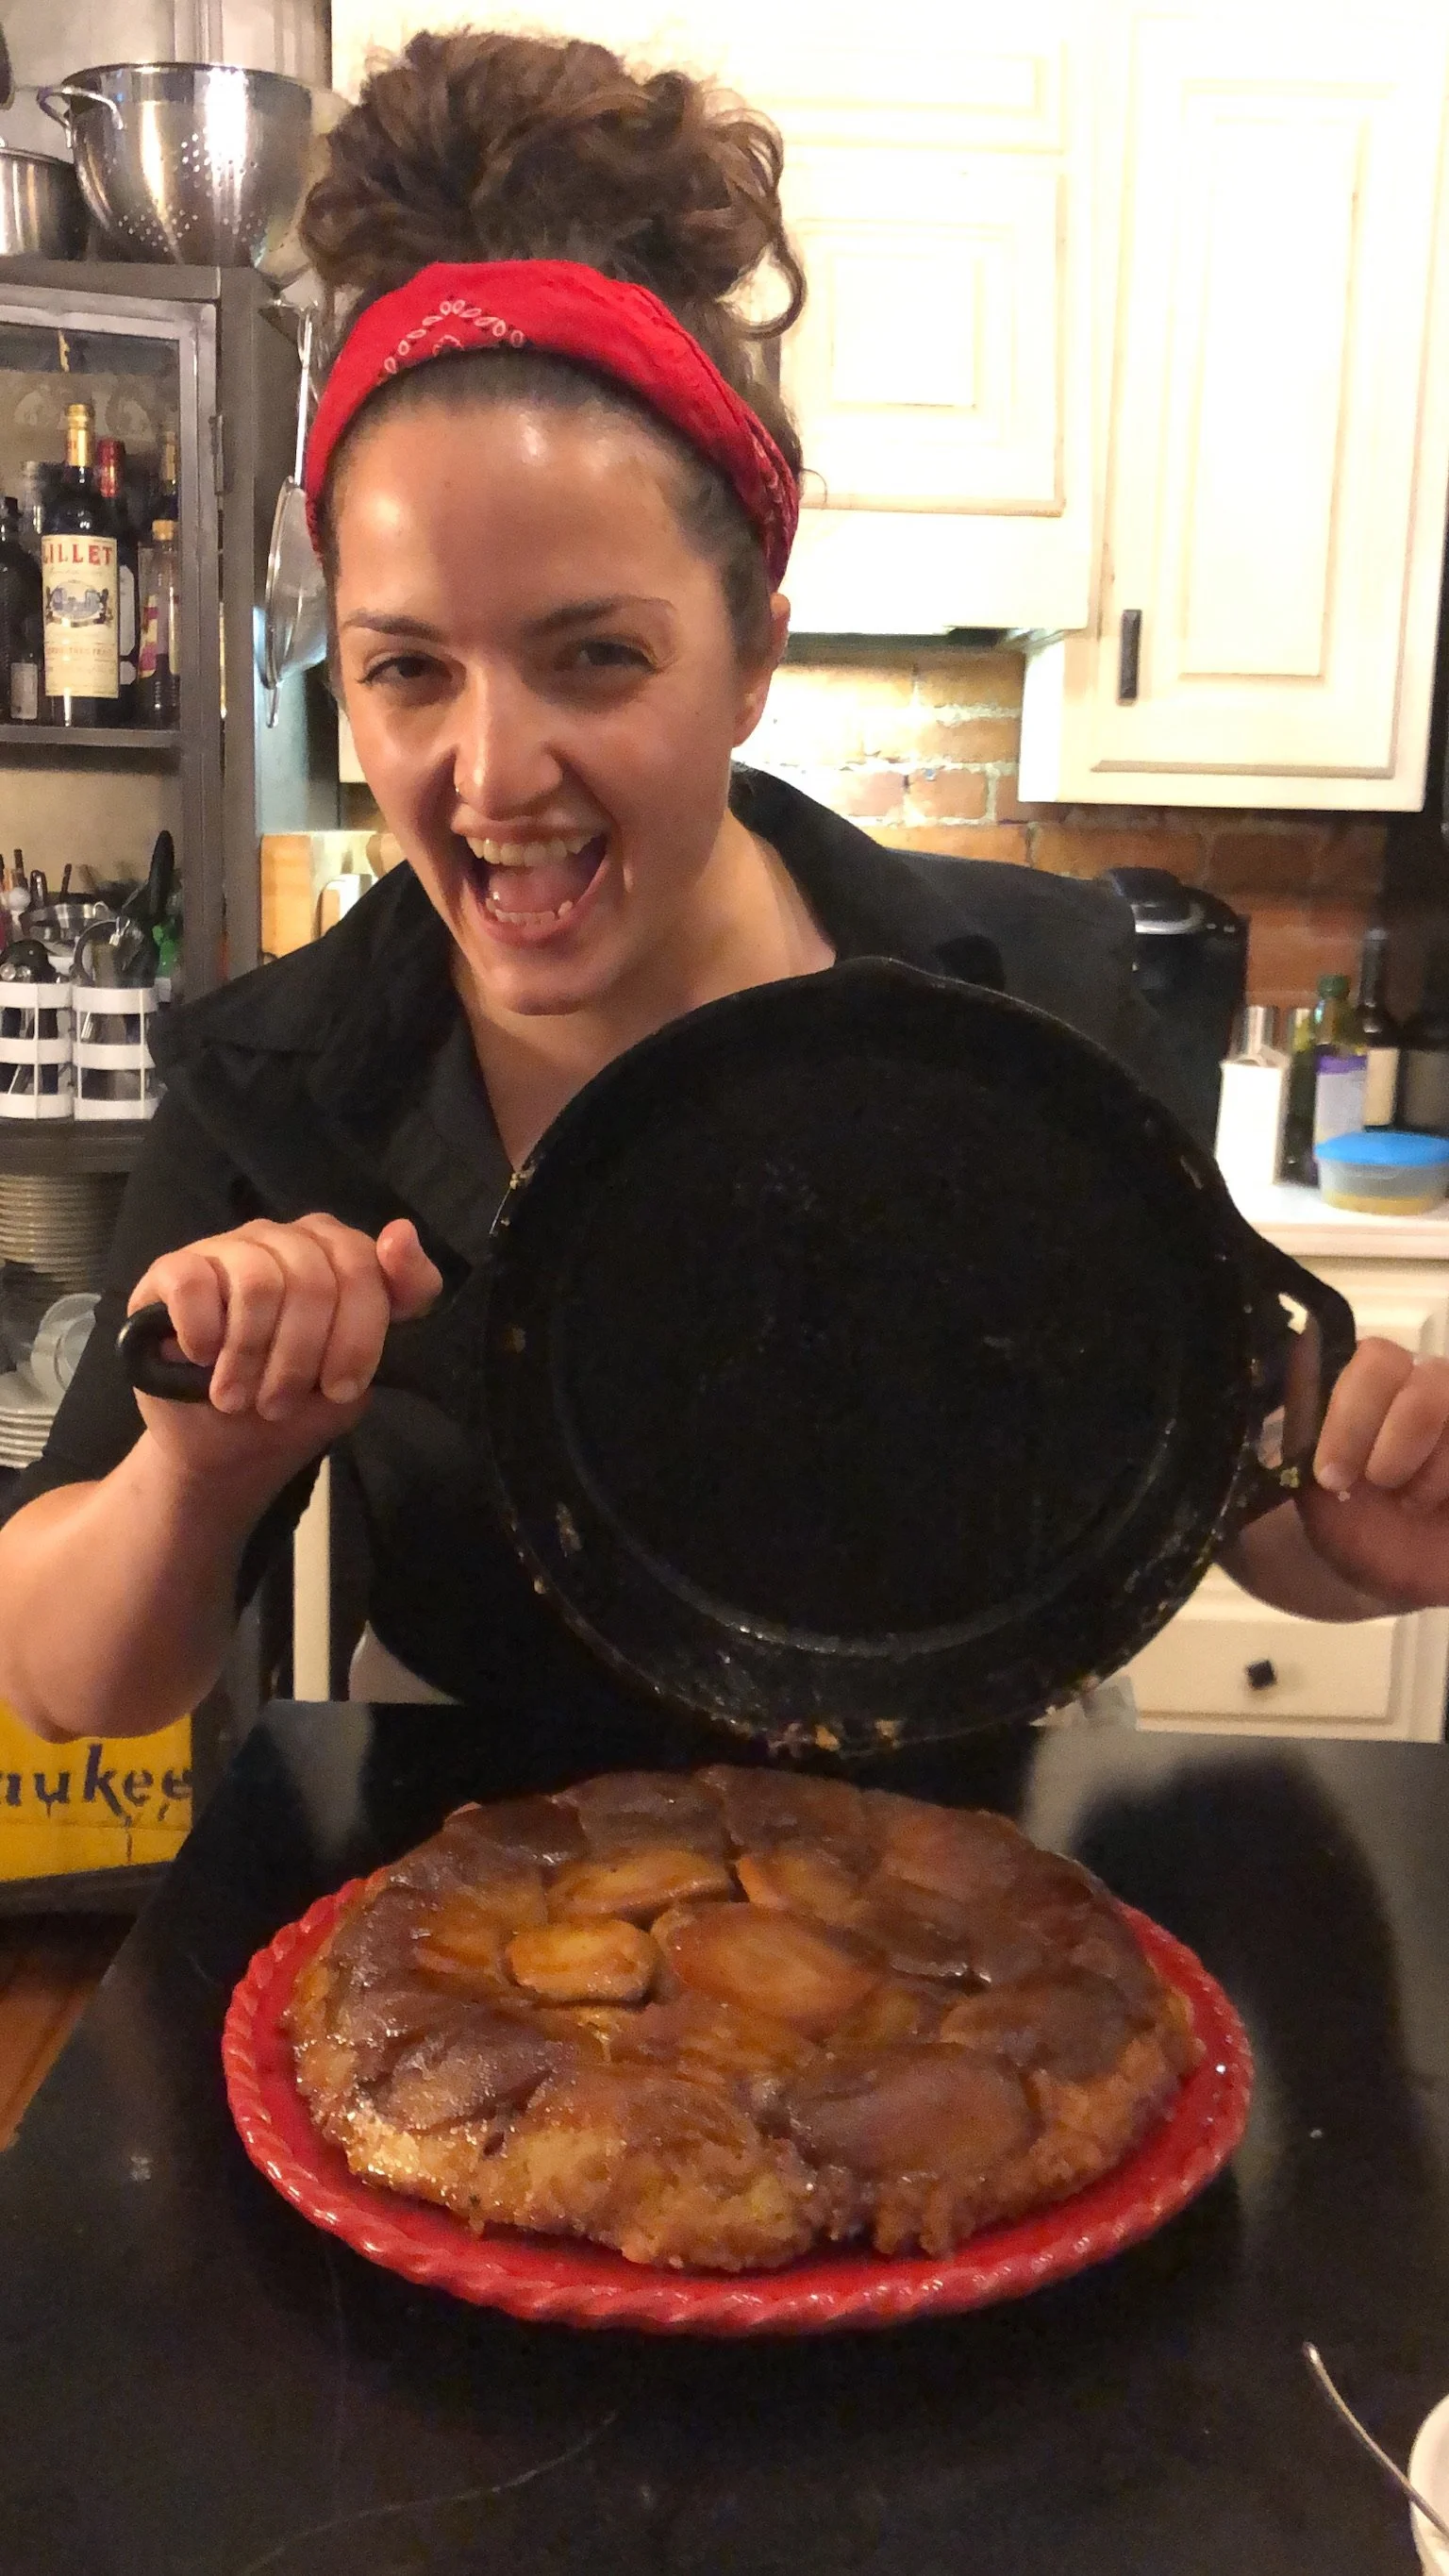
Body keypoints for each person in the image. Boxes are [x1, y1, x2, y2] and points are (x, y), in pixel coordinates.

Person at [2, 28, 1448, 1743]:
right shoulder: (285, 1083)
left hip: (981, 1883)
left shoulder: (1028, 1004)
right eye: (407, 672)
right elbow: (74, 1675)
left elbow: (1218, 1483)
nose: (491, 772)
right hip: (485, 1887)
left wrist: (1359, 1534)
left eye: (595, 655)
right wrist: (199, 1469)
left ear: (754, 650)